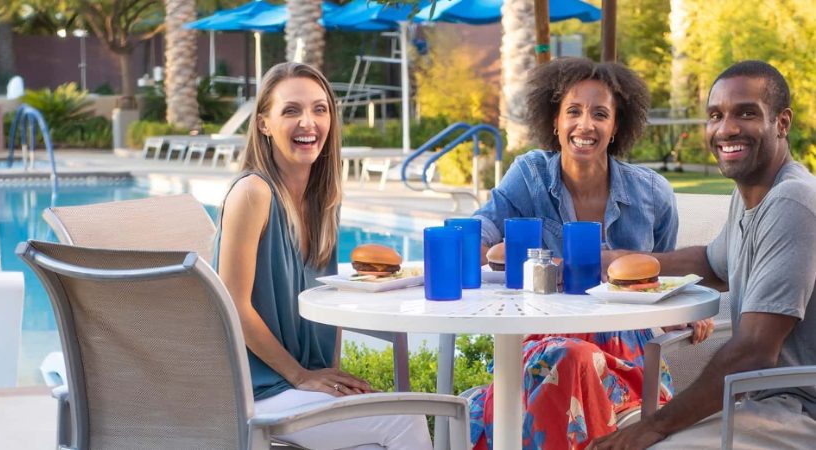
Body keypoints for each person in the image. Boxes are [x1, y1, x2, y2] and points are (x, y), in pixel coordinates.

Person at [467, 57, 714, 449]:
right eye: (574, 112)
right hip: (541, 341)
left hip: (626, 358)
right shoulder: (529, 176)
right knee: (567, 356)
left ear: (616, 126)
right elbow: (473, 239)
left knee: (571, 359)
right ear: (554, 120)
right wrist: (497, 255)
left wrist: (680, 313)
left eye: (600, 114)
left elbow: (659, 282)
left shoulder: (652, 194)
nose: (586, 125)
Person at [591, 61, 816, 449]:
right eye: (715, 115)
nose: (726, 129)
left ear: (782, 122)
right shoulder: (751, 195)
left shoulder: (792, 201)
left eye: (746, 113)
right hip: (763, 399)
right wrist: (614, 262)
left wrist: (653, 426)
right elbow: (712, 264)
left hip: (800, 409)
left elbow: (754, 351)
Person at [213, 62, 433, 449]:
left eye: (319, 108)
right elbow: (233, 306)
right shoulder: (254, 193)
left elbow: (325, 298)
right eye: (291, 110)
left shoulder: (321, 201)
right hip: (256, 392)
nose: (308, 122)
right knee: (403, 420)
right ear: (263, 123)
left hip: (295, 384)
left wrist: (326, 375)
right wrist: (300, 376)